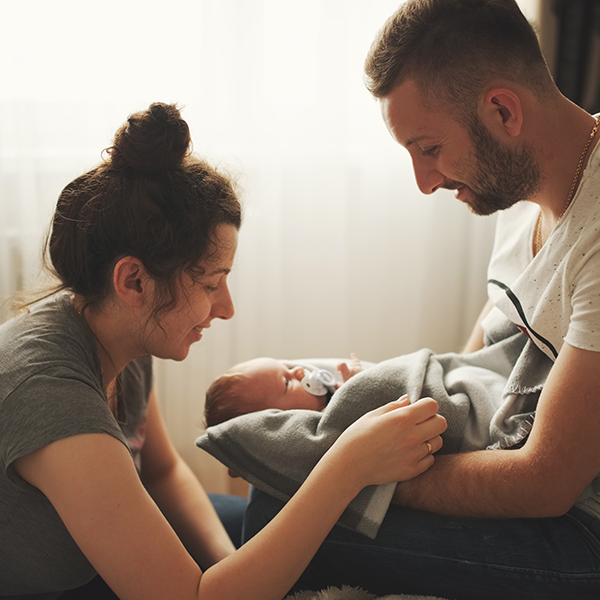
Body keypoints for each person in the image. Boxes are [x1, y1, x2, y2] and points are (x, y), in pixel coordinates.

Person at [0, 102, 447, 600]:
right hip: (64, 587)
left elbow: (163, 471)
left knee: (285, 526)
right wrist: (346, 466)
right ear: (134, 280)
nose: (226, 308)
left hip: (97, 564)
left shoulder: (119, 330)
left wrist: (227, 564)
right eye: (212, 283)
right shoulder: (51, 396)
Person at [242, 1, 600, 599]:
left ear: (503, 110)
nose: (424, 181)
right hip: (519, 459)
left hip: (581, 527)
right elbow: (482, 354)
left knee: (280, 511)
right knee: (283, 485)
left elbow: (546, 482)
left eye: (429, 148)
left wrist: (343, 472)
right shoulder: (527, 189)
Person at [204, 354, 365, 426]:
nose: (299, 370)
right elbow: (348, 414)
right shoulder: (318, 425)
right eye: (287, 382)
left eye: (288, 368)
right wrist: (355, 385)